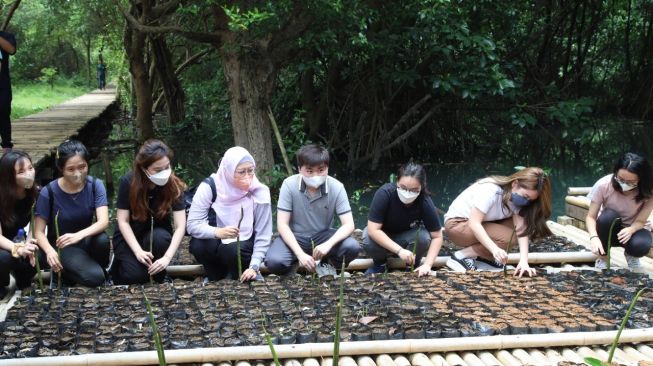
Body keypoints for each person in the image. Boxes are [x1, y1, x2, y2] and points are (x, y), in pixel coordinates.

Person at [265, 144, 360, 276]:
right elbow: (282, 224)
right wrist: (300, 254)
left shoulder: (337, 187)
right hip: (296, 236)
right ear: (299, 169)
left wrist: (328, 244)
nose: (316, 175)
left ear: (327, 168)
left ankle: (327, 263)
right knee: (274, 261)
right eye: (309, 171)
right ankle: (294, 266)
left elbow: (349, 224)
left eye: (321, 170)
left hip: (323, 236)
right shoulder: (289, 185)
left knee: (352, 247)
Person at [444, 167, 552, 277]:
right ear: (515, 183)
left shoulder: (516, 201)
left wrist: (524, 262)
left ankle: (483, 258)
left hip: (475, 226)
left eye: (530, 200)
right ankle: (461, 256)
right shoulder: (491, 190)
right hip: (457, 226)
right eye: (525, 196)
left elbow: (521, 230)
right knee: (508, 237)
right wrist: (494, 249)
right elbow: (474, 223)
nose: (526, 201)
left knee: (513, 228)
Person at [187, 146, 272, 282]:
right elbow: (192, 225)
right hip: (216, 234)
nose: (247, 177)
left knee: (231, 250)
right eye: (241, 172)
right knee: (200, 245)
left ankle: (238, 274)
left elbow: (264, 233)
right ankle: (215, 276)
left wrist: (255, 265)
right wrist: (217, 232)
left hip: (245, 240)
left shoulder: (259, 191)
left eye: (250, 171)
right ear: (228, 171)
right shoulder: (210, 186)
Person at [34, 140, 110, 287]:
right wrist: (50, 251)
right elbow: (38, 231)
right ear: (61, 169)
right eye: (71, 169)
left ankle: (88, 270)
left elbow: (103, 221)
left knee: (102, 240)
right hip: (62, 246)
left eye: (82, 167)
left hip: (83, 240)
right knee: (95, 279)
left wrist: (79, 235)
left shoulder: (95, 185)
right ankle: (66, 273)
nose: (77, 173)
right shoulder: (48, 192)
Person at [110, 139, 186, 284]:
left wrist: (167, 258)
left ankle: (159, 270)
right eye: (158, 170)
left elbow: (180, 226)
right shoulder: (128, 182)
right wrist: (138, 251)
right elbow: (123, 221)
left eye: (167, 167)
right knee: (135, 277)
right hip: (130, 236)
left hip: (156, 235)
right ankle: (120, 264)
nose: (164, 173)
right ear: (144, 168)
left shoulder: (174, 185)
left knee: (160, 240)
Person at [362, 162, 444, 277]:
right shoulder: (385, 194)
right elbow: (373, 229)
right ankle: (380, 264)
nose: (407, 193)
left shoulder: (424, 201)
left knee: (423, 237)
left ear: (422, 187)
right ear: (397, 182)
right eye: (403, 188)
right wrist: (399, 251)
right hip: (383, 236)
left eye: (414, 190)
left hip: (407, 237)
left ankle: (412, 265)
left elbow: (437, 236)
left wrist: (428, 264)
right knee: (367, 237)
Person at [586, 153, 653, 270]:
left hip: (634, 229)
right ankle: (603, 257)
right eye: (621, 179)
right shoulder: (603, 185)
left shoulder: (648, 190)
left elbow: (641, 220)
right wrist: (594, 237)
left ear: (642, 179)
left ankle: (631, 255)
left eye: (631, 182)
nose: (624, 184)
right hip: (608, 228)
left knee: (641, 245)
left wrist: (631, 229)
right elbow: (590, 217)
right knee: (608, 216)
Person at [0, 151, 38, 298]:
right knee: (3, 258)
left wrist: (29, 245)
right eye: (21, 171)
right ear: (9, 177)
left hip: (14, 243)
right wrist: (18, 248)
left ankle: (21, 277)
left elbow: (34, 227)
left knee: (34, 257)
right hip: (5, 245)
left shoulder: (35, 194)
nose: (29, 174)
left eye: (30, 168)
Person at [0, 30, 16, 154]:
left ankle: (6, 147)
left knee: (4, 112)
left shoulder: (6, 36)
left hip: (2, 84)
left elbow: (11, 50)